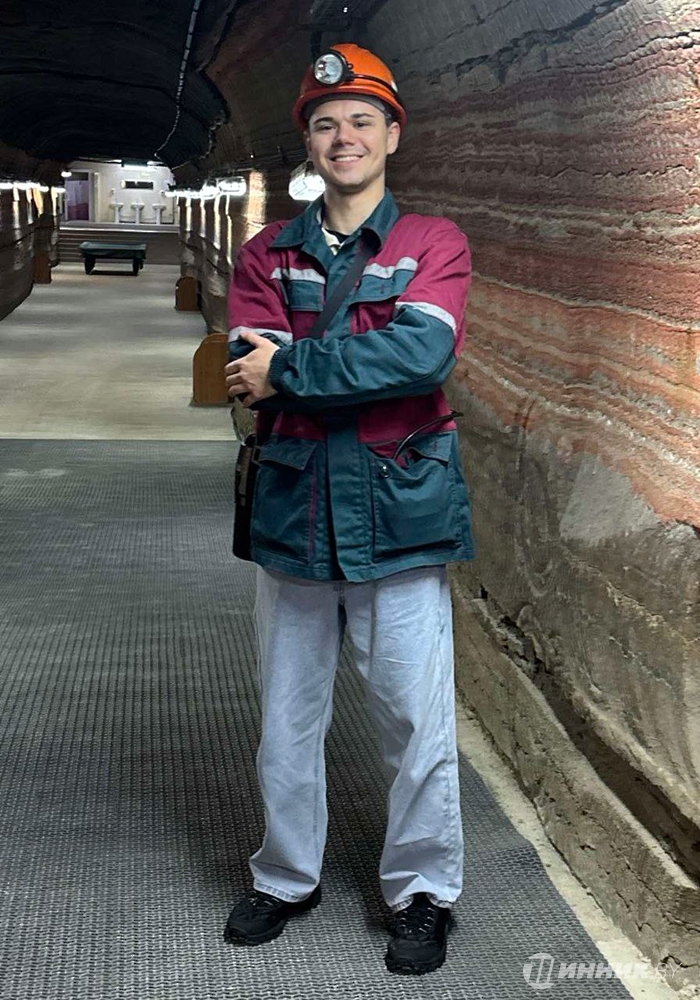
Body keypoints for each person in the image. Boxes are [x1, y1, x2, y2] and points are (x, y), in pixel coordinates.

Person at [222, 43, 474, 976]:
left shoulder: (434, 244)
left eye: (363, 120)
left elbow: (421, 358)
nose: (344, 137)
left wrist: (289, 367)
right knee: (287, 718)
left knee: (416, 721)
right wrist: (309, 373)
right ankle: (286, 877)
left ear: (392, 134)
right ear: (309, 142)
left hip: (398, 515)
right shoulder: (267, 252)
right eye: (326, 124)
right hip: (296, 512)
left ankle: (422, 893)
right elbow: (244, 372)